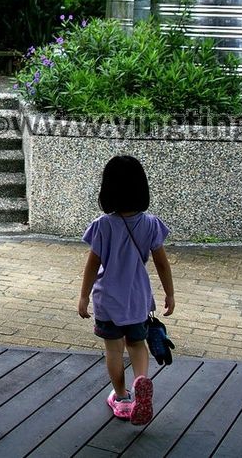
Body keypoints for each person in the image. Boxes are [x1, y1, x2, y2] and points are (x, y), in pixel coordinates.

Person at [77, 155, 175, 425]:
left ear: (107, 190)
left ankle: (121, 398)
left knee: (113, 349)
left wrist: (84, 296)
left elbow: (91, 264)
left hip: (108, 300)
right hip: (138, 300)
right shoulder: (151, 224)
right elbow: (162, 265)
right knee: (137, 344)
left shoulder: (103, 226)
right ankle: (141, 382)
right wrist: (170, 293)